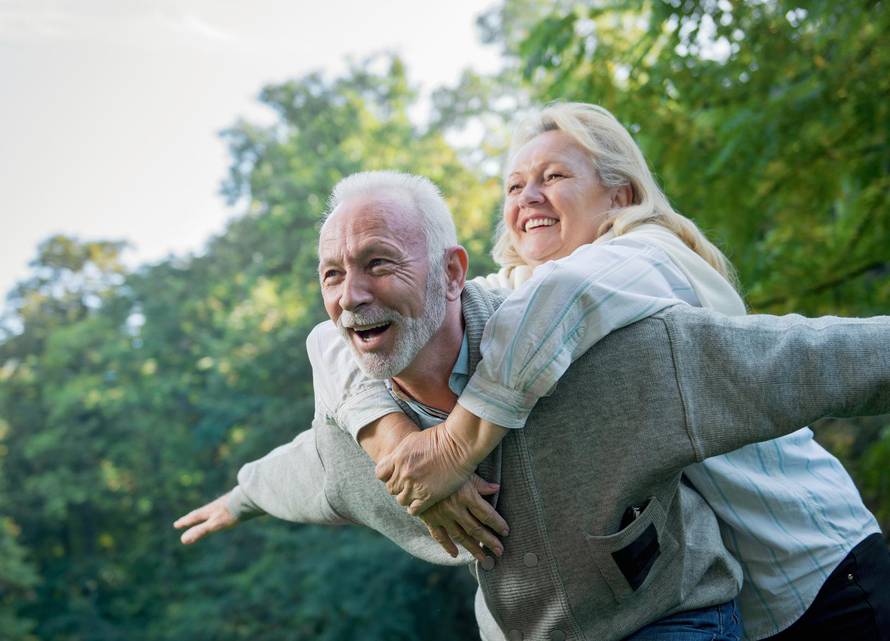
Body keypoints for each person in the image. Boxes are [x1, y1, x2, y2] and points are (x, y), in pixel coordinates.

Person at [175, 170, 890, 641]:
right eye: (332, 274)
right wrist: (241, 494)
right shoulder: (358, 442)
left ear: (453, 272)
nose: (350, 295)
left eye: (378, 262)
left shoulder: (606, 357)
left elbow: (802, 358)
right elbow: (304, 470)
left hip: (673, 619)